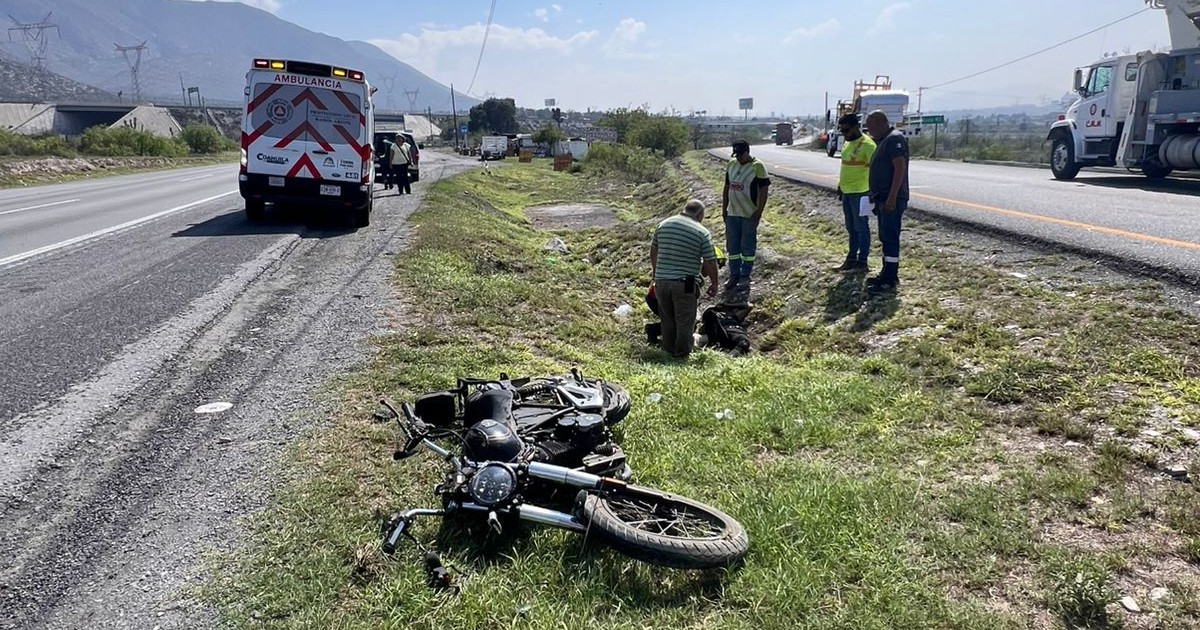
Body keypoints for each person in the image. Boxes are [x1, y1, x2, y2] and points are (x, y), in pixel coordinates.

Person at [650, 199, 719, 359]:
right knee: (685, 322)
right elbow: (710, 261)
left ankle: (668, 351)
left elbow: (653, 251)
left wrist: (656, 273)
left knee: (667, 319)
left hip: (661, 281)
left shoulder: (664, 224)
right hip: (685, 283)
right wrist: (714, 283)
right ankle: (681, 355)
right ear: (700, 214)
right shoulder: (701, 232)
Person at [865, 110, 909, 292]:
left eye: (870, 126)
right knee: (885, 236)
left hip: (892, 199)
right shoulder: (884, 140)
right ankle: (885, 273)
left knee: (890, 237)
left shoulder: (894, 139)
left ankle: (890, 278)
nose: (869, 131)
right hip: (882, 198)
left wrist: (891, 197)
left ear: (880, 123)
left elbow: (900, 168)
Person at [721, 140, 770, 295]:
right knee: (732, 246)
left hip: (749, 214)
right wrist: (724, 208)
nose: (739, 158)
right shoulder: (732, 164)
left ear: (747, 152)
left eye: (741, 155)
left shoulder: (758, 166)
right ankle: (734, 274)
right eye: (736, 155)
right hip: (733, 213)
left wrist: (759, 210)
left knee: (747, 246)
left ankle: (745, 276)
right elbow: (727, 187)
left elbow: (764, 190)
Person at [834, 113, 876, 272]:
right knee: (851, 228)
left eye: (846, 130)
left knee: (861, 228)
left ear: (856, 127)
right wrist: (840, 185)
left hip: (861, 193)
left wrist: (873, 192)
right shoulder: (847, 143)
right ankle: (851, 259)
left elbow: (876, 171)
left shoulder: (868, 145)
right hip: (847, 191)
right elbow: (846, 166)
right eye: (842, 131)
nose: (844, 134)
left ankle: (862, 262)